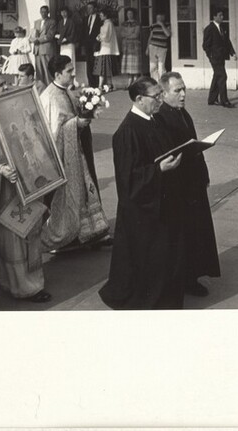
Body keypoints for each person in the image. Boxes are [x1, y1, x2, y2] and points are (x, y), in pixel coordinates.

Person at [98, 77, 185, 309]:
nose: (160, 100)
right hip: (142, 210)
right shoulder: (127, 131)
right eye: (155, 97)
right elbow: (129, 179)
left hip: (160, 201)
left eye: (160, 95)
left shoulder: (153, 120)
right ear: (139, 99)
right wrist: (159, 169)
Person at [0, 70, 51, 303]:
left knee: (29, 229)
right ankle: (23, 286)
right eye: (0, 85)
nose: (6, 87)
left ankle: (23, 280)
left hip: (25, 179)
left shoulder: (7, 107)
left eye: (5, 84)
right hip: (2, 187)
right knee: (13, 233)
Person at [156, 72, 221, 297]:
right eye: (177, 91)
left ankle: (193, 274)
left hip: (193, 182)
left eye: (184, 89)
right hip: (180, 186)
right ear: (163, 93)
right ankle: (186, 279)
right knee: (185, 234)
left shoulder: (181, 112)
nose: (183, 94)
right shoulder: (162, 117)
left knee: (196, 231)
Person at [40, 55, 112, 252]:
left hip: (77, 151)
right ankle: (69, 236)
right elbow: (55, 131)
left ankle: (90, 231)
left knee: (86, 189)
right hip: (63, 157)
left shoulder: (66, 91)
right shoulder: (50, 97)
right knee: (69, 196)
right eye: (69, 71)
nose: (73, 73)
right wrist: (78, 123)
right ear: (57, 74)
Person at [202, 8, 237, 108]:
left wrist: (233, 53)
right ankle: (224, 100)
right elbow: (205, 45)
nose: (222, 17)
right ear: (214, 17)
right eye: (220, 15)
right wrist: (211, 56)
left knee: (217, 76)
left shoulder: (222, 27)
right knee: (223, 76)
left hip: (221, 57)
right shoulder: (209, 28)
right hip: (215, 57)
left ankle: (212, 99)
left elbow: (227, 41)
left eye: (222, 15)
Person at [29, 5, 57, 87]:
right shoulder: (36, 22)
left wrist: (37, 40)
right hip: (37, 49)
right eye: (42, 12)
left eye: (45, 12)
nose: (43, 13)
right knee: (39, 70)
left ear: (48, 12)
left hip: (46, 48)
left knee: (47, 69)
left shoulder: (52, 22)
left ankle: (50, 86)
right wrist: (31, 39)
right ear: (40, 12)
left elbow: (50, 36)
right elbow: (33, 34)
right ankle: (41, 87)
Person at [93, 6, 119, 89]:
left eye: (101, 15)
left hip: (106, 48)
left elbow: (106, 37)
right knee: (106, 68)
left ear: (105, 15)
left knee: (103, 68)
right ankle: (109, 84)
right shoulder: (106, 23)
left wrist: (99, 37)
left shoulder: (108, 24)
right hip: (104, 48)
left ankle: (101, 85)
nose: (100, 16)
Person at [82, 1, 103, 87]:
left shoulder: (99, 19)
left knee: (96, 63)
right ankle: (91, 83)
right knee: (89, 63)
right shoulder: (85, 18)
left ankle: (97, 83)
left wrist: (98, 42)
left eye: (91, 8)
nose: (89, 10)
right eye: (88, 8)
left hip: (96, 43)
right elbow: (82, 32)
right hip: (87, 44)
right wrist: (83, 45)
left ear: (95, 9)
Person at [120, 8, 142, 85]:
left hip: (134, 46)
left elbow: (136, 34)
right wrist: (130, 34)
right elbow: (122, 34)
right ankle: (129, 80)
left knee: (134, 64)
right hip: (126, 46)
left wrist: (127, 35)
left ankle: (135, 80)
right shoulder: (124, 24)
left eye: (131, 14)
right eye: (128, 14)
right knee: (127, 64)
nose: (129, 15)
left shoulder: (137, 23)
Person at [146, 13, 171, 81]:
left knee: (161, 67)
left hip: (162, 48)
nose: (159, 19)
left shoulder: (167, 25)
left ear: (163, 17)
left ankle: (162, 82)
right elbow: (150, 37)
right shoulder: (153, 26)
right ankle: (155, 82)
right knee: (152, 66)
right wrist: (147, 48)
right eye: (158, 18)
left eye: (160, 17)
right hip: (152, 47)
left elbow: (168, 34)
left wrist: (162, 25)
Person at [55, 5, 79, 73]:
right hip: (62, 45)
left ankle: (72, 77)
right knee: (63, 61)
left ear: (68, 12)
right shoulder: (60, 22)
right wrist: (58, 36)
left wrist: (66, 39)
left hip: (69, 44)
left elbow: (73, 33)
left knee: (70, 59)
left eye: (65, 12)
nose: (63, 14)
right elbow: (58, 32)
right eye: (62, 12)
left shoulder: (71, 21)